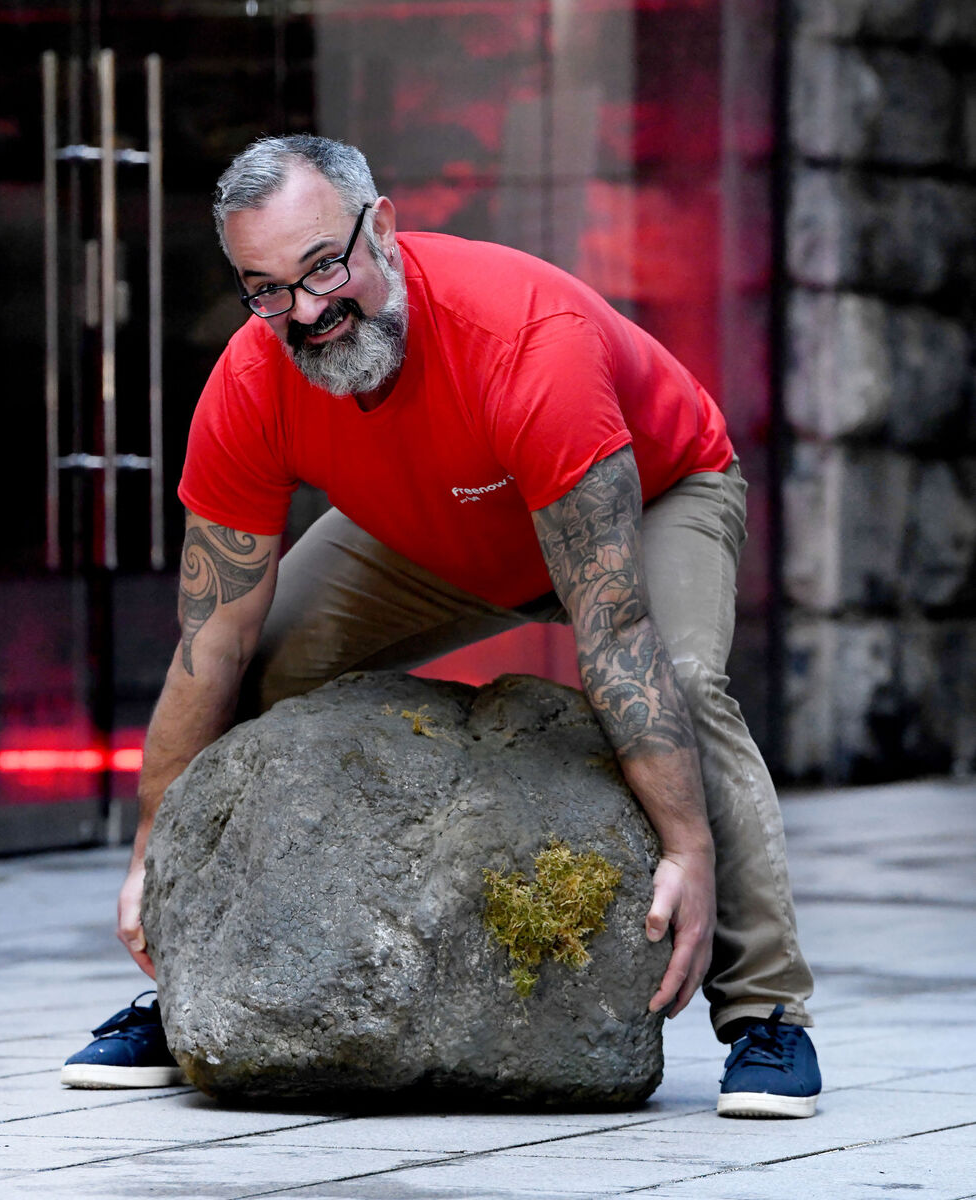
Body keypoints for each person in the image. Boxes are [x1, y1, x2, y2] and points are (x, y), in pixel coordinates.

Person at [61, 134, 821, 1118]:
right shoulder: (251, 383)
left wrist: (687, 850)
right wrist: (151, 862)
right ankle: (194, 996)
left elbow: (616, 633)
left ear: (381, 226)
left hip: (651, 498)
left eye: (324, 267)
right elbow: (211, 647)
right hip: (434, 531)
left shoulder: (526, 341)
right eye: (268, 290)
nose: (307, 311)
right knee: (254, 675)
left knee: (675, 682)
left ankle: (766, 1016)